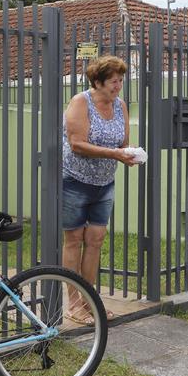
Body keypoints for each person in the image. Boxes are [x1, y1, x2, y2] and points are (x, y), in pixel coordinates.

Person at [62, 55, 138, 325]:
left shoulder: (120, 106)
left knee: (95, 240)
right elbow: (76, 144)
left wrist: (129, 156)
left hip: (104, 183)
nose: (119, 85)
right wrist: (115, 154)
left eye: (121, 80)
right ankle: (72, 303)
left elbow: (123, 142)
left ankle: (87, 299)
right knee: (74, 239)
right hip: (75, 180)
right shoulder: (80, 102)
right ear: (98, 81)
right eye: (114, 81)